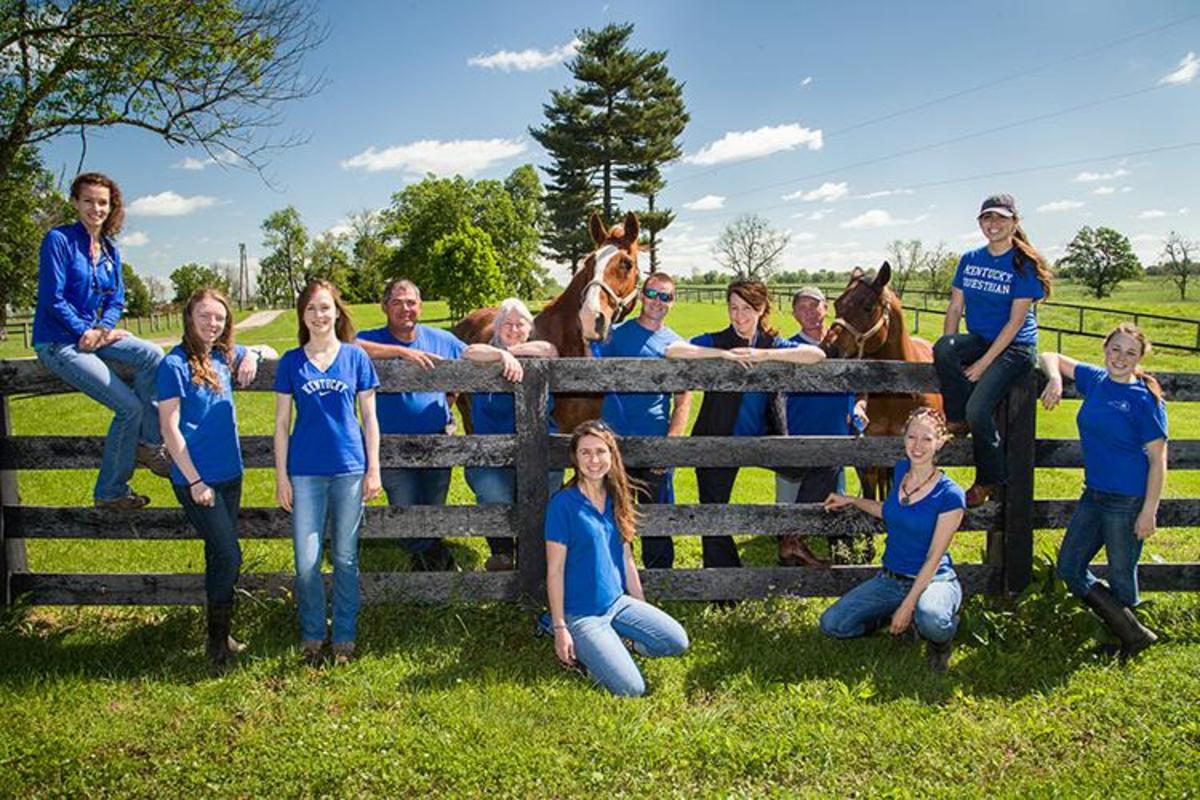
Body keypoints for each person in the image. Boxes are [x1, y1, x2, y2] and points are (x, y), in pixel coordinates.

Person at [32, 172, 170, 509]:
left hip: (94, 336)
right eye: (89, 201)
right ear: (75, 203)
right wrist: (84, 331)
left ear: (112, 207)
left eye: (103, 202)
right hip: (58, 342)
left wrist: (104, 329)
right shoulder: (59, 240)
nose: (96, 208)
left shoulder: (110, 249)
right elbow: (53, 297)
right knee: (129, 407)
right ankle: (110, 491)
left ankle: (150, 444)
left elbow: (116, 299)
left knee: (154, 354)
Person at [666, 279, 824, 568]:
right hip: (717, 439)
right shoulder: (719, 339)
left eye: (747, 309)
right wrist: (721, 355)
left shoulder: (771, 342)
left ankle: (792, 537)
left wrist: (765, 355)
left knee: (824, 464)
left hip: (764, 437)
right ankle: (724, 584)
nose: (739, 316)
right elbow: (673, 350)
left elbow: (816, 354)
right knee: (714, 513)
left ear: (761, 308)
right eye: (733, 308)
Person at [157, 288, 275, 671]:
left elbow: (272, 351)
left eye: (220, 318)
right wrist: (194, 480)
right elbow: (169, 428)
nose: (213, 324)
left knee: (216, 555)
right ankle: (215, 643)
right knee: (229, 554)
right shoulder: (174, 365)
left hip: (230, 474)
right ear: (189, 318)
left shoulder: (224, 356)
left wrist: (254, 355)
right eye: (205, 316)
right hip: (197, 479)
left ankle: (220, 635)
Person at [1039, 324, 1166, 659]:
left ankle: (1127, 638)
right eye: (1116, 349)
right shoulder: (1096, 380)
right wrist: (1054, 379)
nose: (1120, 358)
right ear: (1105, 348)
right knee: (1069, 566)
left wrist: (1149, 510)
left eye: (1130, 353)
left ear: (1139, 358)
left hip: (1127, 500)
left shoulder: (1144, 400)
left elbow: (1157, 458)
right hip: (1093, 495)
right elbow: (1049, 355)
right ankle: (1135, 634)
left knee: (1122, 574)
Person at [274, 280, 381, 666]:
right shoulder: (291, 362)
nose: (319, 316)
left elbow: (369, 419)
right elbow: (281, 423)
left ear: (337, 312)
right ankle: (313, 633)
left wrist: (374, 468)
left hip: (350, 469)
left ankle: (345, 636)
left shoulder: (355, 359)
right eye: (311, 309)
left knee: (346, 557)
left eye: (325, 308)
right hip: (305, 471)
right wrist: (281, 476)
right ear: (303, 316)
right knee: (306, 560)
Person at [545, 419, 689, 696]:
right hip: (582, 614)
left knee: (676, 642)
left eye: (600, 451)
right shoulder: (562, 505)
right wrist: (560, 626)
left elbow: (626, 558)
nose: (594, 460)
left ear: (612, 456)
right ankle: (582, 652)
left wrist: (641, 608)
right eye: (585, 452)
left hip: (617, 603)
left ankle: (616, 641)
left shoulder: (617, 497)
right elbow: (555, 570)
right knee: (631, 689)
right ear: (574, 458)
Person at [820, 408, 966, 673]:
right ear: (904, 438)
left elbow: (934, 557)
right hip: (890, 579)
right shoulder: (901, 471)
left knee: (932, 618)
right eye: (912, 437)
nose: (918, 446)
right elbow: (890, 511)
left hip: (934, 580)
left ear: (940, 442)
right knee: (832, 624)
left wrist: (908, 605)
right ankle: (893, 618)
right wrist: (852, 500)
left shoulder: (951, 495)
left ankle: (940, 639)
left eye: (927, 439)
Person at [934, 193, 1052, 507]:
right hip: (981, 338)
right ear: (980, 223)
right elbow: (955, 306)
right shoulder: (970, 259)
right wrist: (950, 348)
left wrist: (984, 364)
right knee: (942, 347)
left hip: (1015, 348)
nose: (993, 224)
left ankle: (988, 478)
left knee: (979, 409)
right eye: (987, 217)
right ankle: (956, 419)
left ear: (1015, 222)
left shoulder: (1023, 264)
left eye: (1001, 218)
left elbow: (1015, 323)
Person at [357, 280, 466, 571]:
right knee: (403, 503)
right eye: (397, 302)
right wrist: (400, 353)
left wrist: (505, 354)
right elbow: (345, 345)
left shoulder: (442, 339)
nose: (405, 308)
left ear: (420, 306)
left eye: (411, 302)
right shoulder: (371, 338)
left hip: (436, 440)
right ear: (384, 307)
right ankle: (430, 554)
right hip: (390, 444)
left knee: (433, 502)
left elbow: (470, 356)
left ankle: (427, 556)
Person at [592, 272, 692, 569]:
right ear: (641, 294)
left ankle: (660, 574)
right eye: (652, 293)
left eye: (666, 296)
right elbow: (589, 365)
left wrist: (670, 445)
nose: (657, 301)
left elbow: (683, 399)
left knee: (656, 513)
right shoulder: (616, 335)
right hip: (614, 441)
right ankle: (617, 572)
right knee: (615, 510)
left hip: (655, 440)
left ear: (672, 302)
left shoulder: (675, 344)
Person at [462, 297, 560, 571]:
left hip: (540, 448)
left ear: (530, 328)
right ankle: (503, 553)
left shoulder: (540, 349)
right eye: (507, 324)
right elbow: (468, 351)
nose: (514, 329)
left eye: (521, 324)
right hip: (491, 449)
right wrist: (501, 355)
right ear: (496, 328)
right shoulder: (485, 353)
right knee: (494, 493)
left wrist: (513, 352)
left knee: (542, 500)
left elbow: (550, 349)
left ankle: (537, 558)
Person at [775, 286, 869, 567]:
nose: (810, 313)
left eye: (815, 306)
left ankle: (836, 548)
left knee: (834, 501)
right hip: (801, 434)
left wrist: (860, 405)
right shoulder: (789, 347)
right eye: (802, 307)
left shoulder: (846, 345)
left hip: (838, 433)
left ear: (826, 308)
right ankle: (790, 544)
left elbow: (863, 385)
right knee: (791, 503)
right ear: (793, 314)